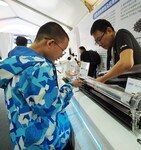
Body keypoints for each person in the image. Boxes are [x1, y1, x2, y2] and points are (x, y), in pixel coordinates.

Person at [0, 22, 83, 150]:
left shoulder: (16, 61)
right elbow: (49, 107)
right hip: (42, 142)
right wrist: (69, 86)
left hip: (22, 138)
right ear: (50, 43)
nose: (62, 54)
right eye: (62, 50)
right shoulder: (40, 67)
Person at [90, 19, 141, 87]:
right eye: (97, 42)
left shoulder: (121, 35)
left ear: (109, 30)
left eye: (99, 40)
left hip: (137, 86)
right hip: (123, 86)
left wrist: (103, 79)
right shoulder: (110, 48)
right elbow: (112, 70)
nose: (99, 44)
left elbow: (126, 63)